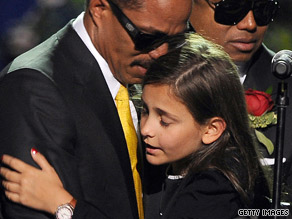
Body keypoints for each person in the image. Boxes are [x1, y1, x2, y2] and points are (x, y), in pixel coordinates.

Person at [1, 33, 270, 218]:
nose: (146, 130)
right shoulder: (181, 163)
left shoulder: (217, 190)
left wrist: (62, 204)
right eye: (145, 111)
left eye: (165, 121)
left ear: (211, 129)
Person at [0, 0, 193, 218]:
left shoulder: (157, 75)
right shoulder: (34, 88)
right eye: (147, 37)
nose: (161, 53)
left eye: (176, 40)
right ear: (99, 8)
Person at [190, 0, 292, 204]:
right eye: (231, 7)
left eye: (264, 10)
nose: (250, 24)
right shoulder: (144, 78)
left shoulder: (286, 83)